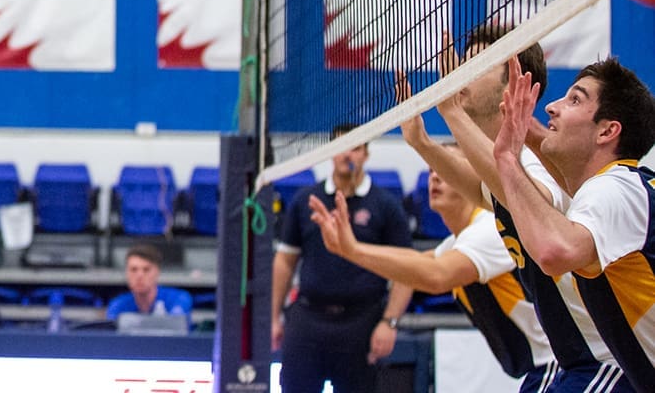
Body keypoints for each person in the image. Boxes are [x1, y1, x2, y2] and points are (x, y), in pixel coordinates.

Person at [404, 26, 633, 391]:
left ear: (513, 81)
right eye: (462, 61)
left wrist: (451, 113)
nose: (459, 71)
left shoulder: (536, 159)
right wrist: (423, 143)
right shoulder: (509, 164)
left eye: (475, 63)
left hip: (605, 360)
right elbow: (485, 191)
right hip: (572, 361)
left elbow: (526, 200)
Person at [309, 156, 556, 391]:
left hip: (554, 362)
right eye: (431, 171)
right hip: (539, 366)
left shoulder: (489, 229)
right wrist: (349, 250)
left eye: (445, 170)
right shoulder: (461, 240)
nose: (435, 178)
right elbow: (414, 264)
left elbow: (436, 276)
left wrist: (353, 250)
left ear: (471, 179)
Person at [494, 56, 655, 388]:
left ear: (608, 131)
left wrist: (507, 159)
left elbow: (555, 252)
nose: (552, 106)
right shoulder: (624, 187)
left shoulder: (612, 188)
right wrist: (518, 128)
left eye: (574, 99)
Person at [271, 129, 412, 393]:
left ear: (366, 154)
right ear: (330, 152)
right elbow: (285, 261)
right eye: (343, 146)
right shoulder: (306, 201)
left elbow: (406, 268)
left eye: (356, 147)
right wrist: (274, 316)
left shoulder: (386, 205)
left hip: (361, 321)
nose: (348, 153)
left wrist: (389, 322)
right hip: (309, 317)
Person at [105, 244, 192, 329]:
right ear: (126, 273)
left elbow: (176, 326)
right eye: (133, 269)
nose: (139, 276)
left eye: (146, 270)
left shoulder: (179, 299)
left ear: (157, 272)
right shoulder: (118, 305)